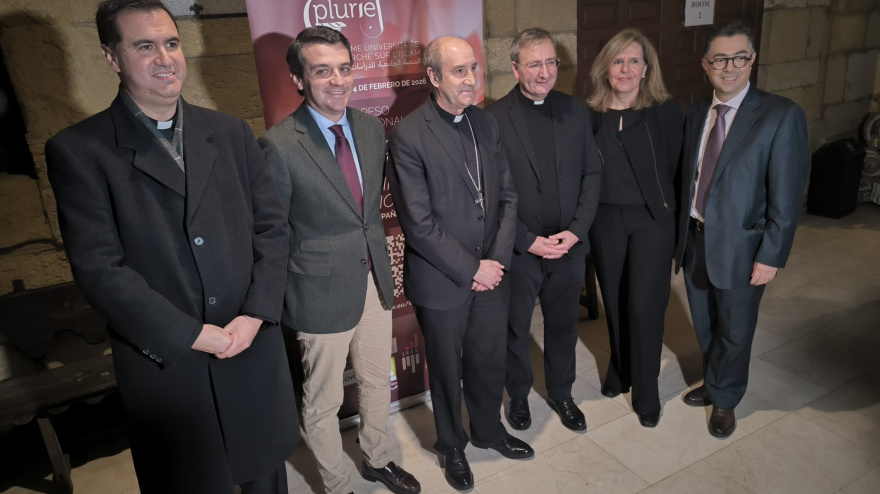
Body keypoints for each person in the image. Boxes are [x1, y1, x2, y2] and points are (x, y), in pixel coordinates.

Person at [44, 1, 298, 492]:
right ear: (112, 57)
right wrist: (190, 334)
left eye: (171, 43)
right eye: (144, 46)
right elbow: (100, 269)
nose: (165, 58)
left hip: (249, 348)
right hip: (171, 365)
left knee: (265, 479)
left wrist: (255, 314)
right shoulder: (79, 151)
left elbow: (272, 228)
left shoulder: (230, 133)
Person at [259, 26, 420, 494]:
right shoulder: (280, 145)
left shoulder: (370, 129)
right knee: (323, 402)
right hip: (317, 293)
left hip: (374, 280)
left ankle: (379, 458)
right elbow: (274, 232)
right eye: (322, 70)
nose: (337, 80)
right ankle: (337, 482)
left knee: (375, 381)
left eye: (344, 69)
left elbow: (366, 215)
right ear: (299, 80)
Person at [388, 36, 532, 491]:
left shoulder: (486, 124)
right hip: (442, 280)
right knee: (447, 370)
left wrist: (495, 261)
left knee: (489, 360)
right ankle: (451, 445)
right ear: (433, 77)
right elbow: (419, 223)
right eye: (459, 71)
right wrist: (474, 268)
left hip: (492, 273)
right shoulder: (409, 135)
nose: (472, 79)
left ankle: (489, 430)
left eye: (473, 68)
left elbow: (508, 197)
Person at [674, 19, 809, 438]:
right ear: (706, 64)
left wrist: (771, 254)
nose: (729, 66)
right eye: (720, 58)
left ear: (752, 60)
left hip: (744, 247)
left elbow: (787, 196)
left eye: (739, 57)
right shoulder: (695, 113)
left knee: (735, 329)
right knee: (705, 322)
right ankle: (714, 381)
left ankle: (726, 398)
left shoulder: (780, 115)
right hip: (695, 240)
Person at [485, 28, 602, 433]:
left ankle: (563, 393)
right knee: (516, 329)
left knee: (563, 327)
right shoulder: (493, 119)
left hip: (568, 245)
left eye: (551, 62)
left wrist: (576, 231)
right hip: (521, 248)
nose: (545, 72)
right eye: (535, 64)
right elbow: (493, 194)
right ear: (516, 68)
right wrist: (527, 240)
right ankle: (518, 395)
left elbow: (592, 173)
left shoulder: (576, 111)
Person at [585, 28, 682, 428]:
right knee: (615, 298)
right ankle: (620, 369)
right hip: (605, 219)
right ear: (606, 68)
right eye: (618, 60)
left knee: (644, 306)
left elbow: (676, 169)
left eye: (634, 61)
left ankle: (646, 390)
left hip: (651, 221)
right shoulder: (588, 114)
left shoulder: (665, 111)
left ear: (647, 69)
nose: (626, 69)